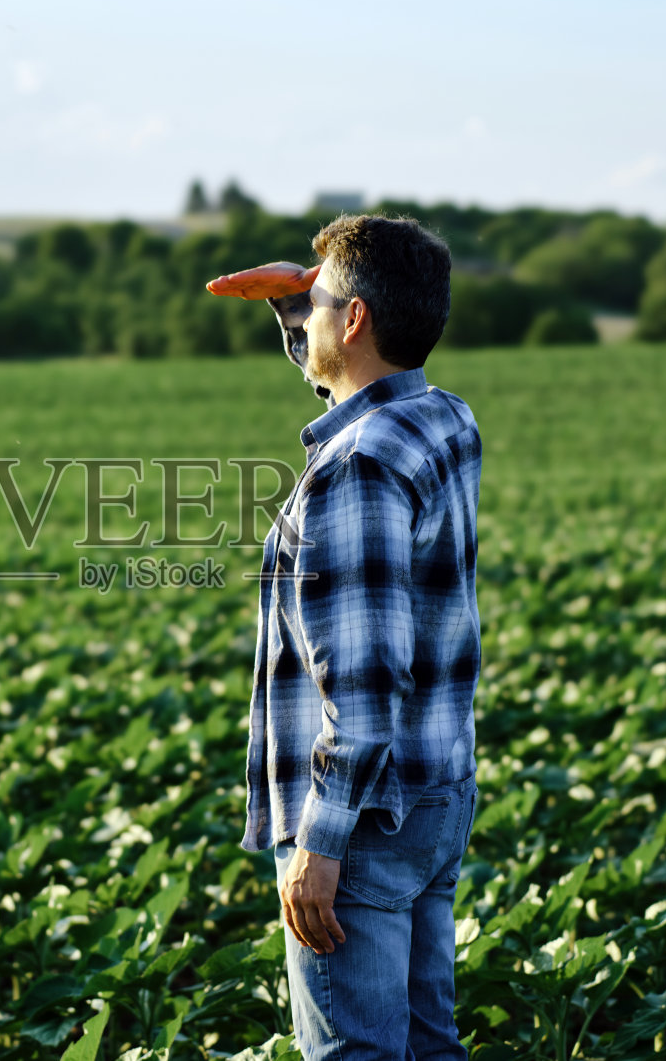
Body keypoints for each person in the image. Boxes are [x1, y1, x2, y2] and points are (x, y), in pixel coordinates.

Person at [211, 213, 483, 1060]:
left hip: (364, 815)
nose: (309, 318)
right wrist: (300, 305)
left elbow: (364, 687)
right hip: (435, 791)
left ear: (357, 318)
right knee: (429, 1045)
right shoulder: (443, 420)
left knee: (355, 1054)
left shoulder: (359, 466)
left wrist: (319, 845)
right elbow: (349, 381)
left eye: (322, 302)